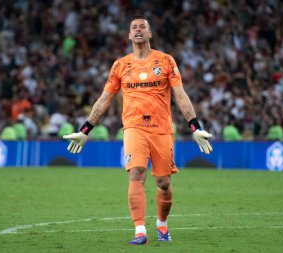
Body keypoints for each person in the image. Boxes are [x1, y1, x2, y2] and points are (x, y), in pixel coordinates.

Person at [63, 14, 213, 245]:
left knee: (163, 183)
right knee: (136, 173)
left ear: (150, 33)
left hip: (162, 129)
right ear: (129, 35)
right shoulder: (121, 65)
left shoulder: (165, 61)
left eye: (143, 26)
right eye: (134, 27)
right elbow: (105, 99)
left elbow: (180, 95)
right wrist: (85, 130)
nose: (139, 29)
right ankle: (140, 231)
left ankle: (162, 224)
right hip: (134, 128)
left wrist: (195, 126)